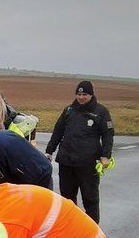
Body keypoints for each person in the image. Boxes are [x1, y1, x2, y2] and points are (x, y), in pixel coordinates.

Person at [45, 80, 114, 224]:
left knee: (90, 198)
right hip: (66, 161)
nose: (81, 97)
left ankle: (93, 231)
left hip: (87, 164)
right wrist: (49, 151)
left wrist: (106, 156)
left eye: (85, 94)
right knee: (67, 199)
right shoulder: (69, 110)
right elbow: (58, 131)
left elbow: (108, 134)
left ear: (91, 95)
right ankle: (71, 229)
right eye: (79, 94)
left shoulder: (101, 111)